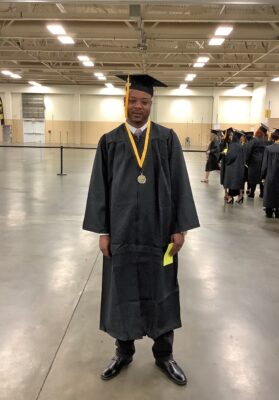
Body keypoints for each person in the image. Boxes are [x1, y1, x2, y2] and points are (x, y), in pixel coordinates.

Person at [83, 74, 199, 386]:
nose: (138, 106)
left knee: (162, 289)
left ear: (151, 103)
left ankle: (164, 354)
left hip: (159, 235)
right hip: (121, 235)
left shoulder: (167, 138)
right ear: (125, 101)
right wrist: (103, 231)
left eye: (144, 101)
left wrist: (180, 228)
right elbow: (99, 189)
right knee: (122, 291)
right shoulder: (109, 140)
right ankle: (123, 350)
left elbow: (180, 185)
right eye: (133, 100)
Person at [245, 123, 268, 198]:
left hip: (254, 162)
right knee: (262, 177)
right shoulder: (266, 141)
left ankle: (252, 193)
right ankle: (262, 193)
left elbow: (248, 150)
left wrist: (246, 160)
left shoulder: (254, 140)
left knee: (253, 178)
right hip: (264, 161)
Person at [261, 129, 279, 218]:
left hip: (270, 175)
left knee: (269, 193)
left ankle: (269, 211)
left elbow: (264, 165)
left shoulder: (268, 149)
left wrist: (262, 175)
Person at [223, 129, 245, 204]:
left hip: (233, 166)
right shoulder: (240, 144)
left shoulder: (233, 145)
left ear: (235, 137)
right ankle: (240, 197)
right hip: (239, 166)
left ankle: (230, 198)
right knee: (236, 183)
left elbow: (231, 156)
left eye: (232, 135)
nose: (231, 137)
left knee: (231, 182)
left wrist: (226, 155)